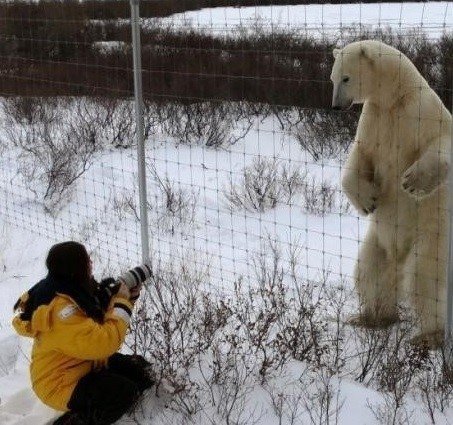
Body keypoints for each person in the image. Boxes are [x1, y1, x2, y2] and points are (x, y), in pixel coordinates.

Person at [12, 241, 155, 425]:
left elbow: (94, 321)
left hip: (81, 364)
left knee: (140, 372)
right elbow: (104, 342)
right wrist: (121, 302)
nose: (91, 263)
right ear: (75, 267)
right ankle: (73, 421)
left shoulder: (69, 288)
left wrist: (127, 298)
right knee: (122, 393)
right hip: (59, 383)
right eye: (87, 260)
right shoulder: (60, 313)